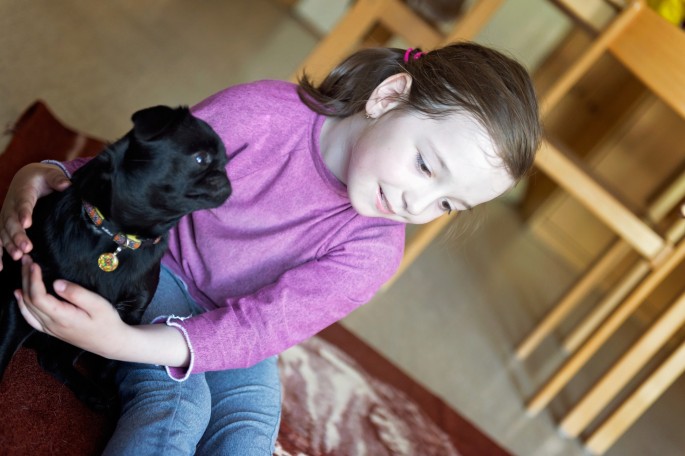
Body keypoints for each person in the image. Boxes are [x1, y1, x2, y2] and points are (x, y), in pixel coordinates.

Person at [0, 42, 541, 455]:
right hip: (156, 266)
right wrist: (49, 174)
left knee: (251, 424)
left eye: (447, 206)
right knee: (180, 406)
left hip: (236, 319)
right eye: (426, 166)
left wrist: (124, 342)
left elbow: (262, 330)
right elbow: (144, 169)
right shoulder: (260, 114)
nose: (416, 202)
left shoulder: (375, 251)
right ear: (388, 97)